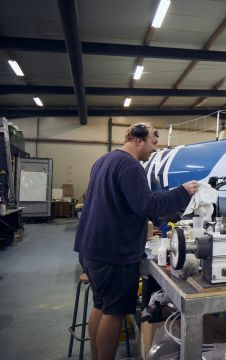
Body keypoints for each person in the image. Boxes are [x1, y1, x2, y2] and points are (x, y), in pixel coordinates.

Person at [74, 123, 198, 360]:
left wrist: (160, 220)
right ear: (138, 140)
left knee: (101, 306)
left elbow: (125, 202)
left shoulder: (105, 160)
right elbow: (146, 205)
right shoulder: (130, 166)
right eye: (153, 142)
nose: (155, 147)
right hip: (113, 253)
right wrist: (181, 192)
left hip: (91, 248)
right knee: (114, 312)